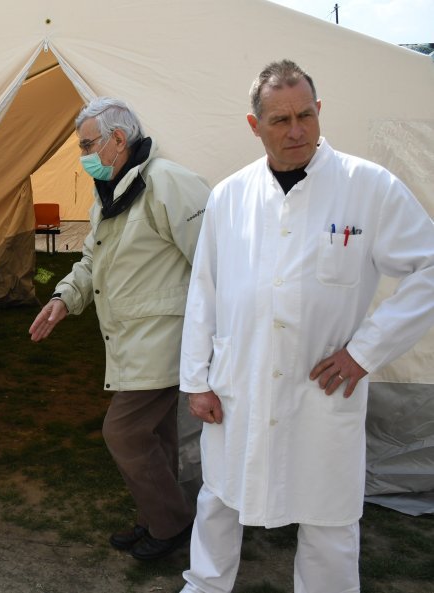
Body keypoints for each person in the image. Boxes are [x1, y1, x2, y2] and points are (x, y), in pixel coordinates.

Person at [179, 59, 434, 593]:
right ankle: (204, 585)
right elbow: (204, 290)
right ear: (254, 126)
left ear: (320, 112)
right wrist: (196, 380)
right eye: (280, 120)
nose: (296, 130)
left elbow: (428, 267)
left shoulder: (368, 187)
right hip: (238, 380)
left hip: (323, 387)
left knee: (329, 512)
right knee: (220, 495)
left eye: (306, 115)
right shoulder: (230, 196)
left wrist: (366, 351)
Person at [28, 98, 210, 561]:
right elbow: (92, 259)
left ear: (117, 139)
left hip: (163, 339)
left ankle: (171, 524)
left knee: (124, 433)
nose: (83, 154)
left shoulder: (169, 183)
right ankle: (157, 518)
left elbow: (213, 265)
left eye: (88, 144)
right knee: (157, 435)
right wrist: (62, 298)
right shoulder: (108, 193)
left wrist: (216, 341)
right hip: (132, 339)